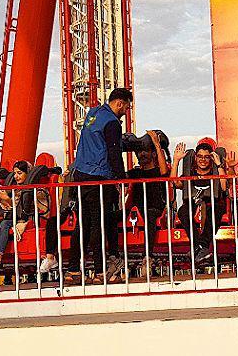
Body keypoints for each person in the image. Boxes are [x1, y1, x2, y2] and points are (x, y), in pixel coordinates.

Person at [67, 87, 133, 279]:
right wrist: (121, 179)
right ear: (119, 103)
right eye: (126, 107)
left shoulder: (93, 113)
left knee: (83, 223)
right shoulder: (112, 123)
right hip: (98, 176)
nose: (126, 111)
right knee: (98, 224)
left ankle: (73, 269)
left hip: (80, 174)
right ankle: (99, 270)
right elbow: (114, 153)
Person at [174, 140, 225, 264]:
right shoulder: (190, 173)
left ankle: (199, 247)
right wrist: (176, 161)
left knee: (215, 210)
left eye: (207, 157)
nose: (203, 160)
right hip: (193, 204)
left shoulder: (216, 171)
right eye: (200, 156)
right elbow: (176, 183)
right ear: (195, 157)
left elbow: (223, 187)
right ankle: (200, 247)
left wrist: (219, 165)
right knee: (183, 211)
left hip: (211, 204)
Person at [125, 130, 171, 243]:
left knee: (150, 214)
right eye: (139, 152)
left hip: (155, 209)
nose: (142, 154)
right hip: (136, 209)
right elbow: (118, 175)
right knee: (108, 216)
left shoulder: (159, 171)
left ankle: (148, 255)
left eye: (145, 151)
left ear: (154, 154)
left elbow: (164, 172)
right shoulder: (134, 173)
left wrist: (156, 143)